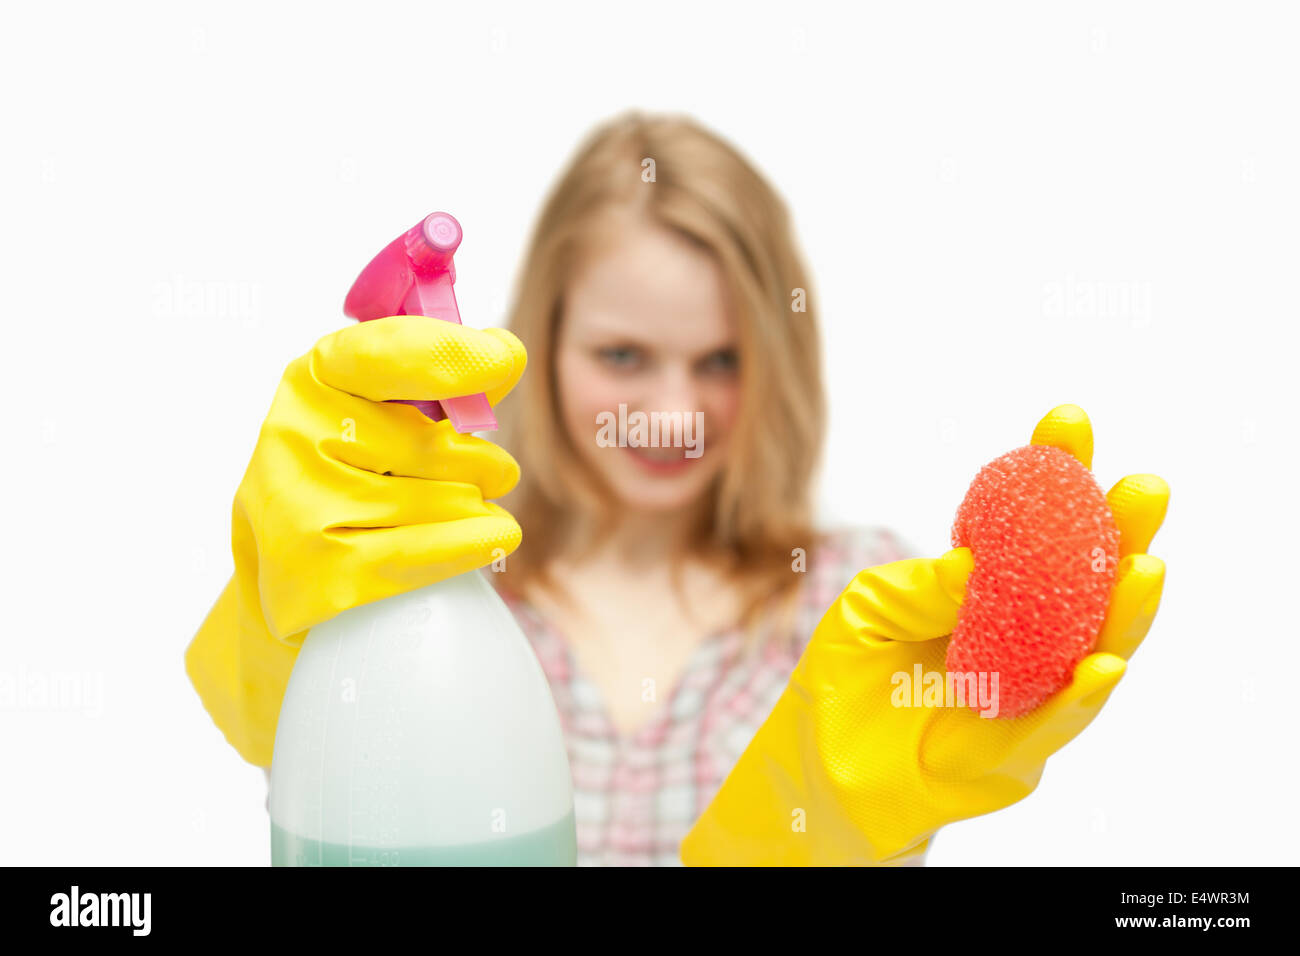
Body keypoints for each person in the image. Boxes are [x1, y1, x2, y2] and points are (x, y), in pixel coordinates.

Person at [189, 111, 1168, 866]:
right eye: (623, 354)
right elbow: (268, 734)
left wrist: (814, 826)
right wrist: (282, 612)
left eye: (718, 360)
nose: (671, 408)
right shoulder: (427, 584)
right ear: (547, 338)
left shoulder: (871, 602)